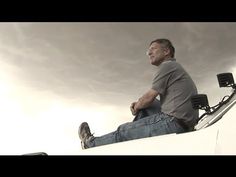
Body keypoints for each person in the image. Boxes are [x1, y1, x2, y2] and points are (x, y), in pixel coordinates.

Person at [78, 38, 199, 149]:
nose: (149, 53)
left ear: (166, 51)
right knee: (147, 107)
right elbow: (148, 102)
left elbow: (149, 97)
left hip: (174, 123)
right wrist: (139, 104)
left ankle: (89, 143)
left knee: (123, 130)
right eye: (148, 51)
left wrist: (136, 106)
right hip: (183, 121)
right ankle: (135, 134)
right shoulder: (174, 66)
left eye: (153, 49)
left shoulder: (167, 66)